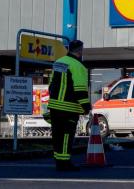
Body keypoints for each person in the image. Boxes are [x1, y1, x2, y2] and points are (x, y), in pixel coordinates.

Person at [44, 40, 90, 171]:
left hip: (55, 106)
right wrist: (86, 107)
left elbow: (52, 85)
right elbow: (80, 89)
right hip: (69, 107)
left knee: (57, 135)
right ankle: (65, 163)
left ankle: (59, 161)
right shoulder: (78, 66)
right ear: (80, 50)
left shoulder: (59, 62)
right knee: (66, 136)